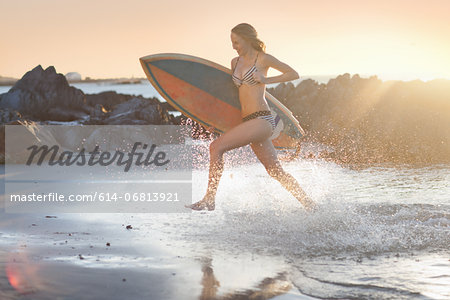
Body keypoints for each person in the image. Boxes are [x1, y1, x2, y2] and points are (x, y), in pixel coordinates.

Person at [186, 23, 316, 212]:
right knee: (275, 171)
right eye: (232, 42)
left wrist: (266, 80)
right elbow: (230, 97)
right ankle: (310, 204)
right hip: (248, 122)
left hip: (263, 120)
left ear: (247, 39)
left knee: (216, 147)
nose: (233, 46)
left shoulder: (262, 59)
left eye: (236, 41)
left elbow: (293, 74)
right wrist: (213, 120)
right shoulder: (235, 62)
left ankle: (209, 199)